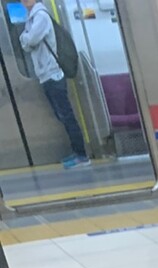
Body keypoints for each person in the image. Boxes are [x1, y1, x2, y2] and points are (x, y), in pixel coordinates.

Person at [19, 0, 87, 169]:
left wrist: (25, 38)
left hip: (53, 74)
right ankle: (76, 151)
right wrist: (26, 39)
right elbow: (25, 43)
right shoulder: (31, 18)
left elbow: (30, 41)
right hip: (45, 75)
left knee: (66, 115)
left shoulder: (41, 16)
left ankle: (82, 155)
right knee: (61, 115)